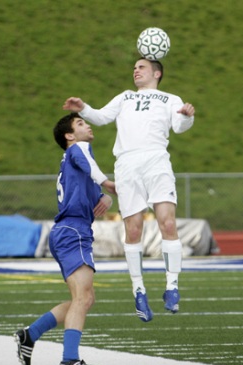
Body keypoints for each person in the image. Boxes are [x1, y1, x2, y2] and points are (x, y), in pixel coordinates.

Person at [63, 58, 195, 323]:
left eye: (142, 67)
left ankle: (172, 287)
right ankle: (139, 290)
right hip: (127, 164)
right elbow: (101, 117)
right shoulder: (124, 97)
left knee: (167, 222)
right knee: (133, 230)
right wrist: (84, 108)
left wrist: (187, 116)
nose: (136, 70)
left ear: (156, 73)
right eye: (134, 67)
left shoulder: (170, 98)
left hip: (157, 160)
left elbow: (179, 128)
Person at [14, 112, 115, 365]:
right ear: (69, 136)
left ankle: (30, 334)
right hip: (73, 230)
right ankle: (69, 359)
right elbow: (87, 164)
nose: (87, 125)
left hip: (69, 230)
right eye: (80, 123)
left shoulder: (74, 161)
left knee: (85, 298)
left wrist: (105, 195)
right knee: (83, 297)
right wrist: (106, 182)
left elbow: (88, 187)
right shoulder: (78, 150)